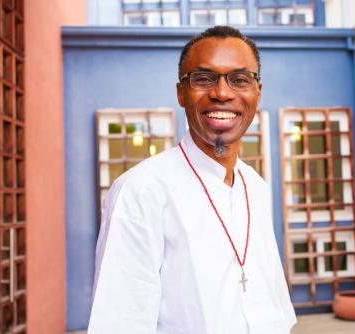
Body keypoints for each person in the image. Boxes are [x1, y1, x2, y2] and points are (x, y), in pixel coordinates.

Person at [88, 25, 296, 334]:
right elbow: (120, 323)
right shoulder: (141, 191)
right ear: (181, 93)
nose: (222, 93)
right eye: (203, 79)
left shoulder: (256, 186)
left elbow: (273, 303)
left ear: (258, 93)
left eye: (240, 79)